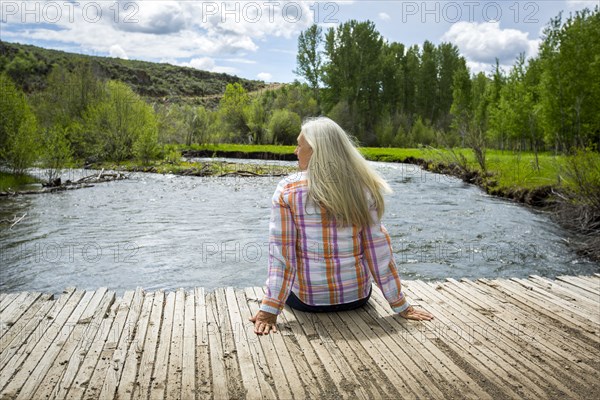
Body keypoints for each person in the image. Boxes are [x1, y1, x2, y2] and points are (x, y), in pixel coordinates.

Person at [250, 117, 433, 335]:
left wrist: (269, 309)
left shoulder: (288, 189)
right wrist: (400, 303)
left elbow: (282, 254)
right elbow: (378, 250)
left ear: (316, 150)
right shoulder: (363, 187)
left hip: (308, 302)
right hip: (356, 298)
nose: (295, 150)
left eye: (300, 145)